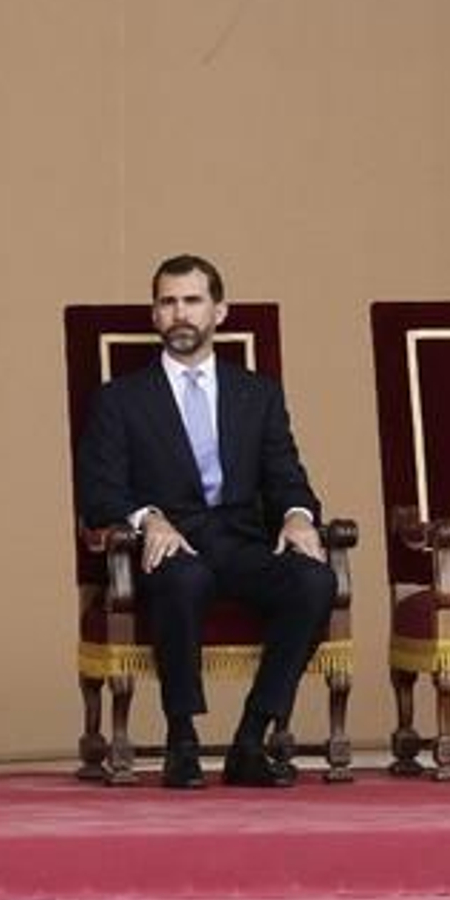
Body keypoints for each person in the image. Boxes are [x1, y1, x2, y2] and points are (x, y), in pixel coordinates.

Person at [75, 254, 337, 789]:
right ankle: (182, 738)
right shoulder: (119, 400)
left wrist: (296, 516)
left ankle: (250, 737)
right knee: (185, 578)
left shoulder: (256, 394)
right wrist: (149, 518)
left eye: (192, 301)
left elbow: (286, 473)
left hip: (241, 544)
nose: (180, 314)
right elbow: (100, 491)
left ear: (219, 311)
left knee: (315, 580)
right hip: (169, 550)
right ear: (154, 315)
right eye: (168, 302)